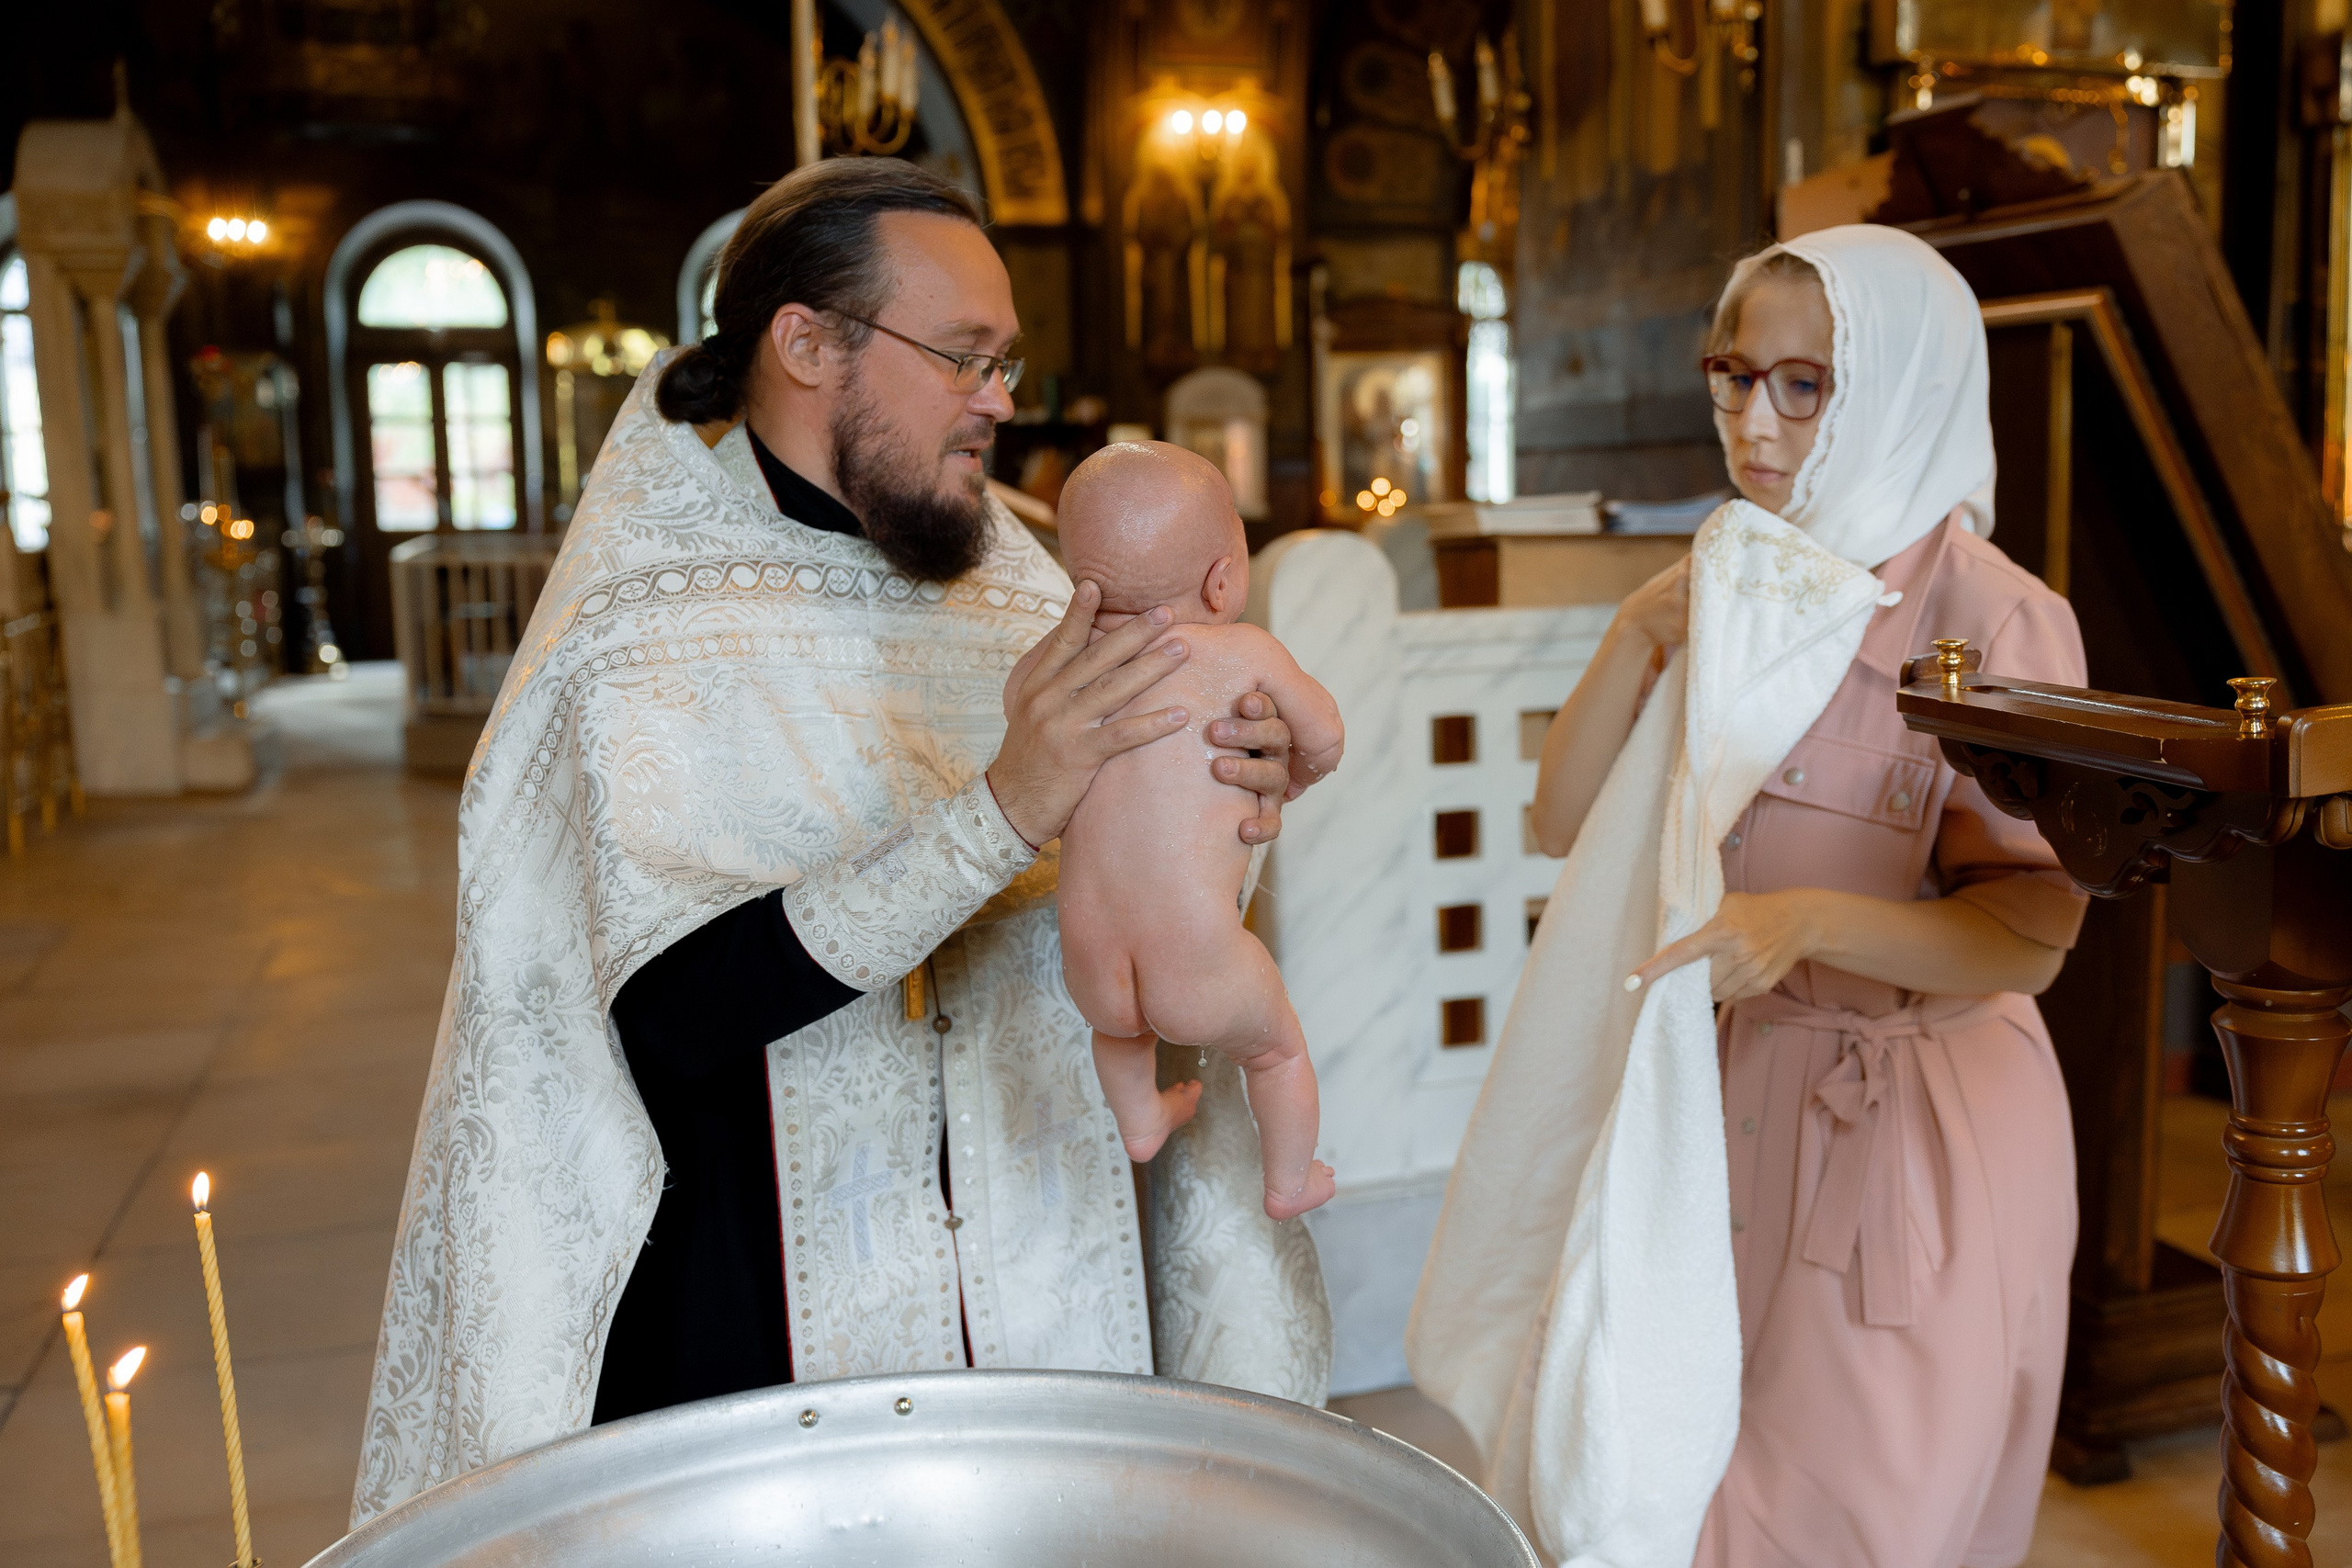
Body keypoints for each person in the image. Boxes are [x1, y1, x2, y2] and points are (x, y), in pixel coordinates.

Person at [352, 159, 1330, 1526]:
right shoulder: (640, 634)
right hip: (750, 1326)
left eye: (1009, 360)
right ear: (805, 344)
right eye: (966, 358)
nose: (1003, 398)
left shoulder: (1031, 585)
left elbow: (1139, 886)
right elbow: (663, 1018)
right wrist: (997, 813)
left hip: (1050, 1269)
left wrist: (1232, 790)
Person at [1408, 225, 2084, 1568]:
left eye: (1805, 385)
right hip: (1723, 1101)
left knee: (1857, 1515)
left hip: (1907, 1130)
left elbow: (2036, 930)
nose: (1753, 424)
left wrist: (1806, 924)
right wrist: (1641, 630)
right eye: (1734, 375)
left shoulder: (1992, 617)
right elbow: (1562, 818)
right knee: (1682, 1482)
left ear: (1902, 386)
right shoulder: (1750, 581)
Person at [1050, 442, 1344, 1218]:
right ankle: (1289, 1180)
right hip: (1201, 959)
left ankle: (1140, 1117)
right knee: (1276, 1048)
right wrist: (1300, 770)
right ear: (1223, 580)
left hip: (1089, 963)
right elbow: (1325, 735)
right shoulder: (1241, 650)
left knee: (1121, 1029)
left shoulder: (1060, 676)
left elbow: (1021, 713)